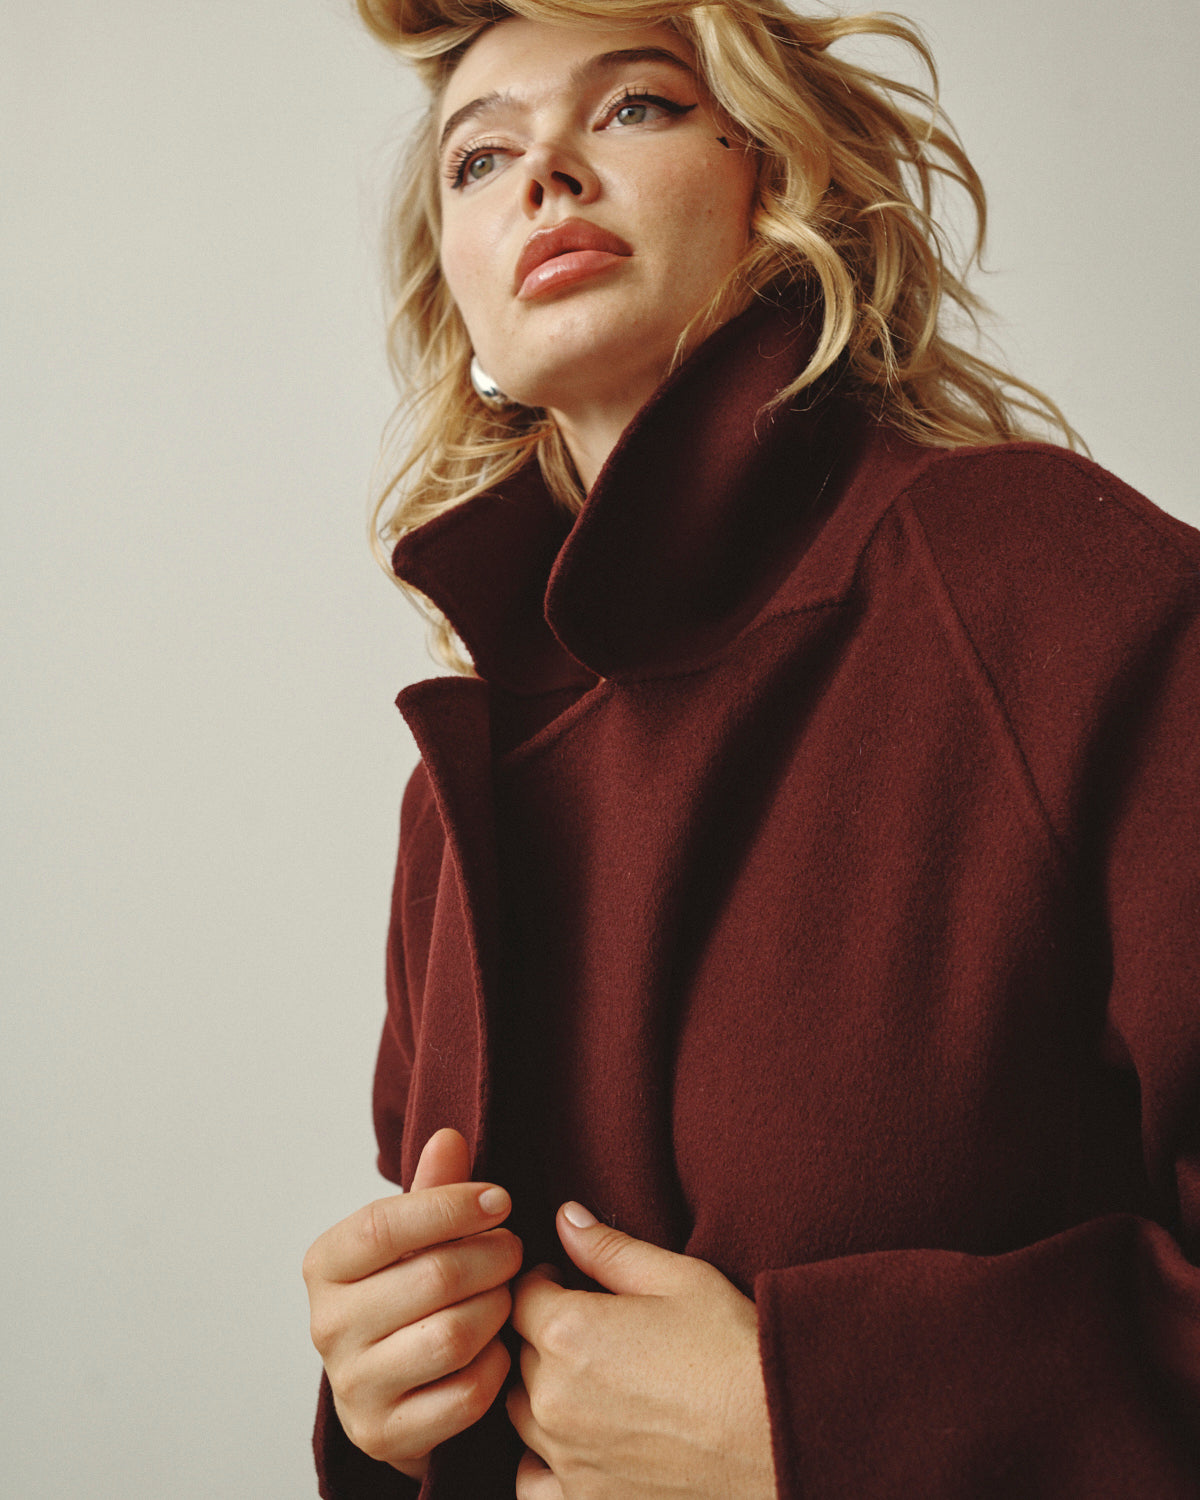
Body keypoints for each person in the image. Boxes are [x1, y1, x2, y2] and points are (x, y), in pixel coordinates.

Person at [302, 0, 1200, 1495]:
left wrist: (823, 1420)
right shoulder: (459, 791)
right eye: (479, 158)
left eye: (635, 107)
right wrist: (397, 1404)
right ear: (459, 294)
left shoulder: (1049, 590)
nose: (546, 175)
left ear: (776, 181)